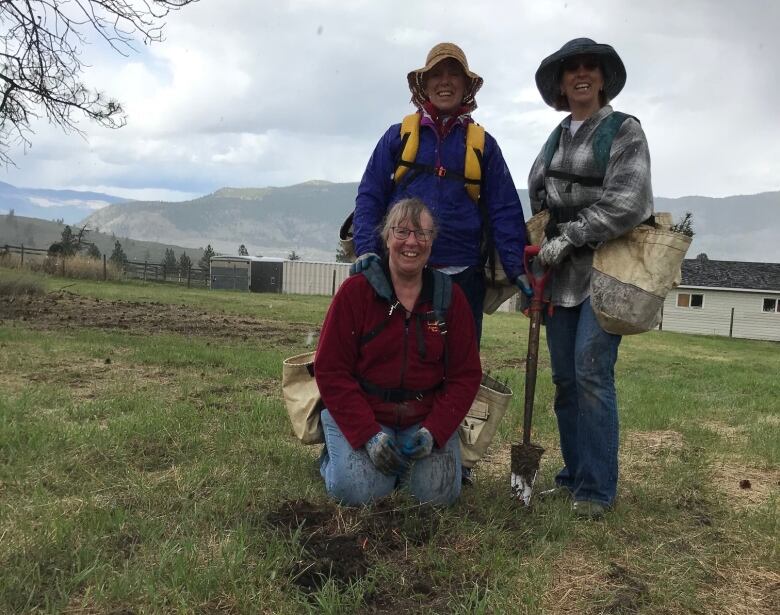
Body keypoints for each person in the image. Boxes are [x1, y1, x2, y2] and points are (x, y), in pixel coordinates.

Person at [527, 38, 653, 518]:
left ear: (602, 78)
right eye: (571, 69)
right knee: (563, 380)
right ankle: (573, 474)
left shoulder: (624, 131)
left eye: (589, 68)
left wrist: (574, 234)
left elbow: (629, 200)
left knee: (590, 371)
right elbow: (539, 196)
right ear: (560, 84)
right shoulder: (555, 138)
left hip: (608, 271)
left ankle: (597, 490)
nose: (581, 75)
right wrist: (540, 247)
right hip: (558, 277)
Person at [351, 42, 530, 345]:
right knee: (393, 358)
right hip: (399, 271)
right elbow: (370, 197)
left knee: (459, 364)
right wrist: (367, 248)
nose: (444, 81)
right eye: (436, 74)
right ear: (425, 84)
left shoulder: (484, 145)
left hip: (462, 276)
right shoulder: (397, 137)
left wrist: (517, 269)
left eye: (453, 74)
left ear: (466, 85)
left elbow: (505, 211)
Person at [314, 198, 481, 506]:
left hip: (422, 418)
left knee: (438, 495)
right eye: (401, 231)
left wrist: (435, 430)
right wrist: (368, 434)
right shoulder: (356, 293)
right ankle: (330, 461)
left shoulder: (449, 298)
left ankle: (405, 470)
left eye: (422, 234)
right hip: (365, 415)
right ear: (386, 237)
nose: (411, 242)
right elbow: (330, 370)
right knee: (361, 493)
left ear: (432, 241)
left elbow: (465, 375)